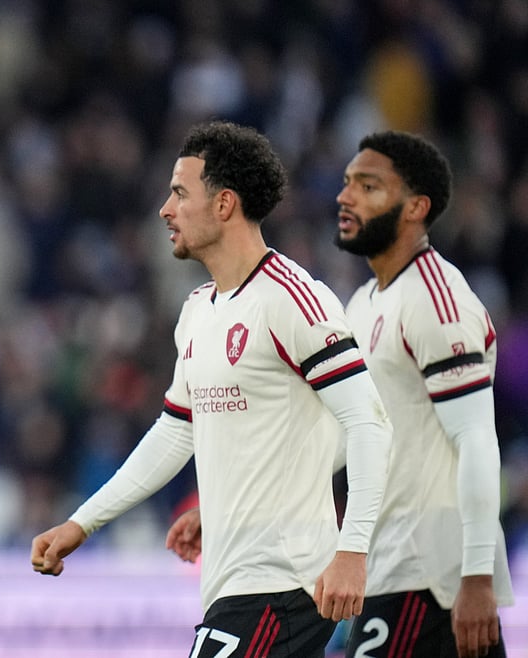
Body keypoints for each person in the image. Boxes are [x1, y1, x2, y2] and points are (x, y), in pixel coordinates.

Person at [30, 121, 393, 657]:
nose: (165, 210)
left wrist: (353, 550)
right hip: (232, 584)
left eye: (179, 193)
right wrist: (85, 521)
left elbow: (369, 423)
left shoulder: (292, 299)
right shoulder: (199, 310)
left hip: (283, 583)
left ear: (224, 204)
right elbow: (177, 433)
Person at [166, 131, 516, 658]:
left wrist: (477, 577)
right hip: (389, 568)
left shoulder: (437, 304)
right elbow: (333, 439)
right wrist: (230, 504)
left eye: (369, 186)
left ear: (415, 208)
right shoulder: (363, 302)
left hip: (430, 575)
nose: (345, 196)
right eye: (348, 182)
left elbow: (477, 443)